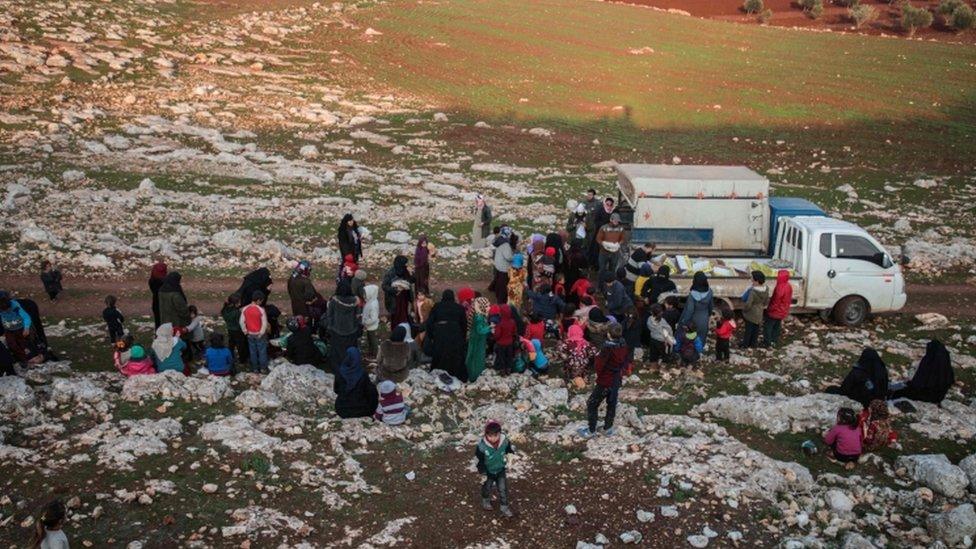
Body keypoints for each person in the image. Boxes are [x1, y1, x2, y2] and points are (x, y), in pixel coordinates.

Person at [579, 323, 628, 438]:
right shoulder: (623, 345)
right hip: (616, 379)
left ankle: (591, 430)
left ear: (609, 334)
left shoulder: (607, 348)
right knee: (611, 403)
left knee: (592, 403)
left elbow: (599, 365)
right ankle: (608, 427)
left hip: (606, 380)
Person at [888, 339, 954, 403]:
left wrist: (910, 385)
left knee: (899, 393)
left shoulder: (929, 361)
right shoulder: (945, 362)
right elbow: (950, 380)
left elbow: (920, 381)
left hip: (926, 395)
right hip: (939, 396)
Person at [424, 290, 469, 381]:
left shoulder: (437, 306)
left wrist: (431, 335)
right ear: (453, 297)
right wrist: (462, 337)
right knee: (455, 353)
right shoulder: (459, 308)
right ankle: (456, 374)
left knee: (440, 352)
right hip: (455, 333)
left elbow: (429, 323)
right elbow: (464, 324)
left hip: (440, 332)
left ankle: (440, 372)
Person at [476, 420, 516, 518]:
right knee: (487, 487)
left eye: (495, 435)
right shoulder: (482, 446)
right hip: (488, 471)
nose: (493, 438)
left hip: (500, 469)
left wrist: (510, 457)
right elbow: (479, 460)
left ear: (499, 433)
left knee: (503, 489)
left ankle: (504, 508)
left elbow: (509, 450)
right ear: (486, 435)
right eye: (490, 436)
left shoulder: (504, 441)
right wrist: (482, 472)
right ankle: (485, 500)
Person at [322, 281, 361, 372]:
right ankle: (350, 366)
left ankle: (337, 368)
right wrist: (356, 326)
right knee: (350, 349)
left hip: (336, 330)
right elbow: (358, 316)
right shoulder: (355, 301)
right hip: (351, 330)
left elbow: (329, 315)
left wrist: (330, 327)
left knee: (337, 351)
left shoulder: (334, 301)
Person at [334, 347, 379, 419]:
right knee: (372, 389)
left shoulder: (340, 372)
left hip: (342, 410)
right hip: (362, 410)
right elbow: (370, 392)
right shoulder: (362, 374)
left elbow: (336, 390)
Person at [555, 323, 598, 388]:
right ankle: (584, 380)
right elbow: (594, 353)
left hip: (571, 367)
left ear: (570, 333)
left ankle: (572, 382)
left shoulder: (566, 343)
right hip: (583, 365)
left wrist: (567, 357)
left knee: (569, 371)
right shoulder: (587, 343)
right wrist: (585, 357)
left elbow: (559, 352)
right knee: (584, 370)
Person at [678, 272, 713, 350]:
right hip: (704, 318)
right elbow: (711, 306)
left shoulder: (692, 295)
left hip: (693, 319)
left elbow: (689, 310)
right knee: (701, 336)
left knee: (690, 336)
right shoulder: (710, 291)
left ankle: (688, 352)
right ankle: (699, 351)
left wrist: (685, 322)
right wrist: (708, 315)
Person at [0, 291, 36, 364]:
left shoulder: (15, 306)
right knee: (12, 344)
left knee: (23, 344)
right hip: (8, 329)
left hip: (20, 328)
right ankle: (23, 358)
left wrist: (26, 328)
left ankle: (26, 358)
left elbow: (26, 317)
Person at [240, 291, 270, 374]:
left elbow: (242, 322)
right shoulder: (261, 310)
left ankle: (255, 368)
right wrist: (261, 333)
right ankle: (263, 368)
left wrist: (245, 331)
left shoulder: (245, 309)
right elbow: (264, 323)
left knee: (252, 351)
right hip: (259, 334)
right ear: (258, 300)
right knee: (262, 351)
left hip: (250, 333)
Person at [381, 255, 414, 329]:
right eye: (404, 263)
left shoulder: (405, 270)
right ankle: (396, 329)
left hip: (404, 296)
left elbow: (411, 280)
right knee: (396, 314)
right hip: (394, 298)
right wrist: (395, 289)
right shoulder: (390, 273)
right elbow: (384, 286)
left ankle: (404, 327)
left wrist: (412, 273)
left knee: (404, 311)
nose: (406, 265)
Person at [740, 271, 769, 349]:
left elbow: (748, 304)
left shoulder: (753, 291)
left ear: (756, 280)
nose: (751, 279)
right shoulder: (766, 289)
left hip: (751, 313)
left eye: (752, 278)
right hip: (759, 312)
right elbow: (766, 301)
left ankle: (745, 344)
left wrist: (744, 310)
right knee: (756, 329)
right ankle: (753, 344)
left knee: (748, 330)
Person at [466, 297, 492, 382]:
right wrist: (490, 328)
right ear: (482, 306)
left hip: (477, 339)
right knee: (476, 357)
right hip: (477, 340)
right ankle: (474, 375)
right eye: (487, 306)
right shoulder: (479, 317)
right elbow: (480, 330)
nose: (489, 308)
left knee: (476, 356)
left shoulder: (480, 315)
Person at [764, 269, 792, 347]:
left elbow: (775, 302)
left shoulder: (780, 287)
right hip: (782, 311)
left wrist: (769, 310)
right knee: (777, 326)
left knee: (768, 327)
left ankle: (767, 343)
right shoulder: (788, 285)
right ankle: (774, 341)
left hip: (775, 311)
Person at [595, 211, 626, 281]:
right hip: (604, 252)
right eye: (615, 221)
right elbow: (598, 239)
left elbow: (623, 239)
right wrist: (603, 243)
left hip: (615, 252)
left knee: (612, 269)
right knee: (602, 270)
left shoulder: (621, 228)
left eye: (618, 221)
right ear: (611, 220)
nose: (616, 222)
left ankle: (611, 284)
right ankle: (600, 286)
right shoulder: (604, 228)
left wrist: (619, 244)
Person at [221, 294, 248, 366]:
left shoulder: (225, 310)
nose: (240, 304)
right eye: (238, 303)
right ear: (234, 304)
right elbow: (240, 322)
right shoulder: (237, 313)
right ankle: (242, 359)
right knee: (240, 345)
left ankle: (231, 357)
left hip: (230, 329)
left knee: (231, 344)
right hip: (238, 330)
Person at [588, 196, 615, 266]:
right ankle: (595, 264)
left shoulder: (612, 212)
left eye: (610, 204)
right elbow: (596, 221)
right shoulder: (600, 210)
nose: (609, 206)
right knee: (596, 249)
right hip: (600, 232)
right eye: (607, 204)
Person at [492, 304, 517, 376]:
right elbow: (514, 332)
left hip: (501, 344)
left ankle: (502, 370)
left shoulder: (500, 323)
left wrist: (494, 338)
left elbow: (497, 335)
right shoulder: (512, 322)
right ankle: (508, 369)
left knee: (501, 357)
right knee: (509, 357)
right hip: (509, 343)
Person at [492, 231, 515, 303]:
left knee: (499, 283)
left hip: (498, 266)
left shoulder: (501, 244)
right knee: (503, 285)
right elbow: (508, 257)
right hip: (504, 268)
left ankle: (498, 295)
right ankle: (501, 300)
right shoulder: (506, 245)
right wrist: (514, 257)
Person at [362, 285, 380, 360]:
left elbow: (373, 318)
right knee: (369, 339)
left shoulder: (373, 305)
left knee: (373, 341)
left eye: (366, 293)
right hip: (369, 326)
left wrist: (366, 322)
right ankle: (371, 351)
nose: (364, 295)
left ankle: (375, 353)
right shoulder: (370, 301)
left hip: (372, 326)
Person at [148, 260, 167, 328]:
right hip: (164, 303)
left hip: (156, 302)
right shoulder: (165, 282)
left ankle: (158, 335)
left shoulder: (151, 280)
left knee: (158, 321)